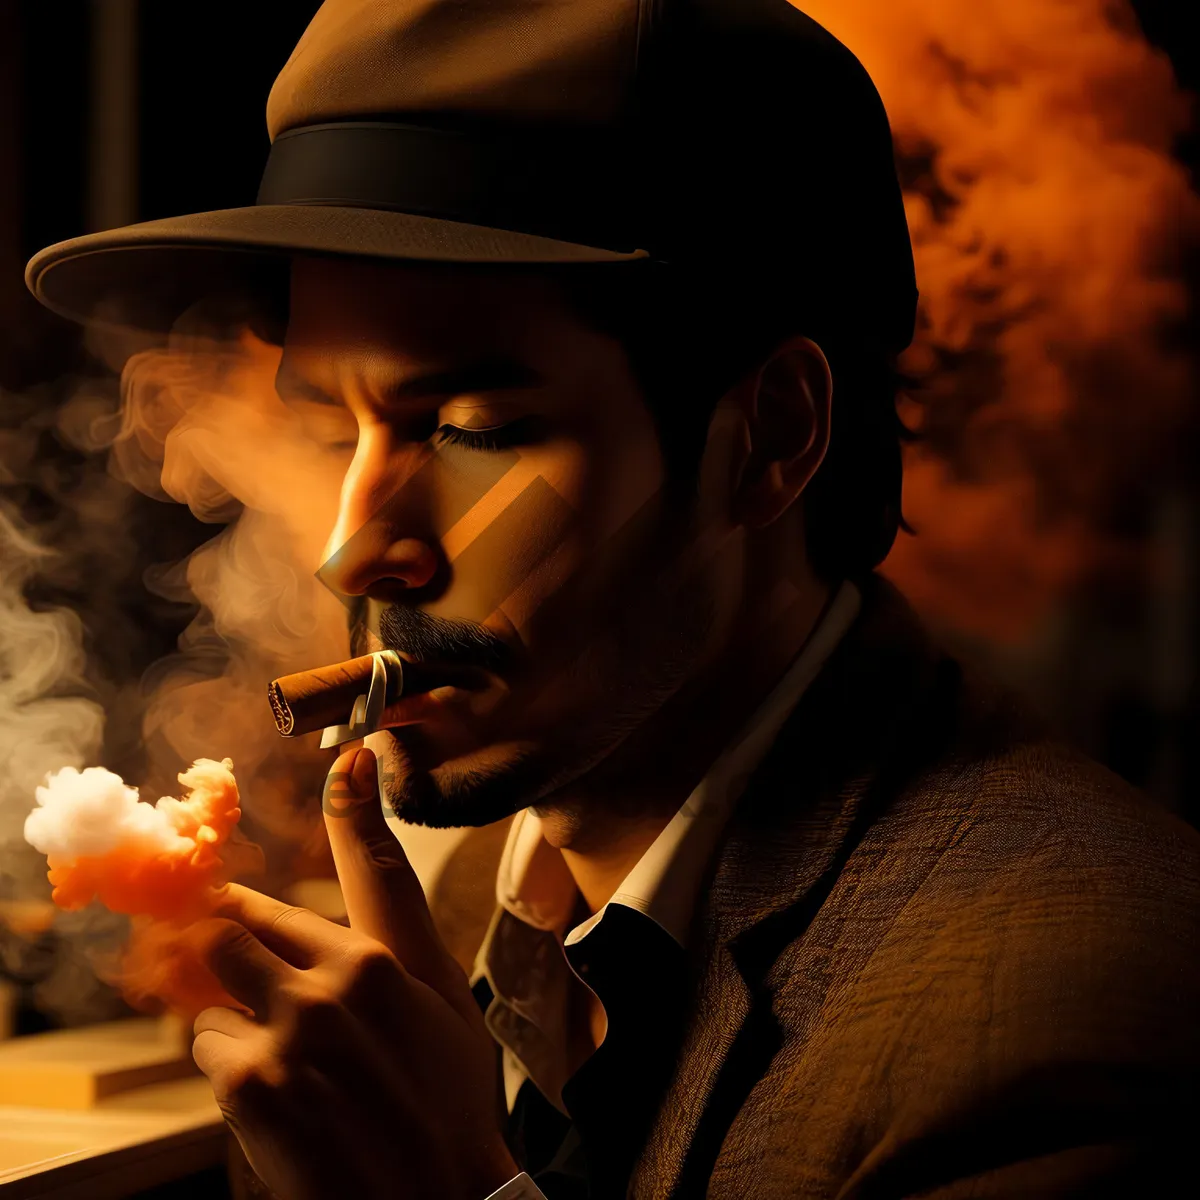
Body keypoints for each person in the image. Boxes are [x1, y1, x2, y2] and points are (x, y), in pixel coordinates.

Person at [25, 2, 1200, 1198]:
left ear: (770, 439)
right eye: (331, 425)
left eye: (475, 430)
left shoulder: (1076, 1004)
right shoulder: (473, 901)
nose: (351, 553)